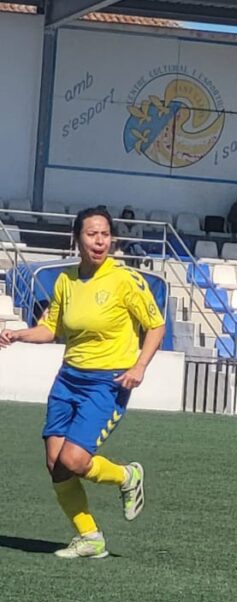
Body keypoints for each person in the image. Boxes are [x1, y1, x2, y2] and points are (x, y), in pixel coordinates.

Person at [0, 208, 166, 559]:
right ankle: (90, 538)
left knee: (74, 460)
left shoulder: (125, 280)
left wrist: (140, 366)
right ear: (77, 238)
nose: (100, 241)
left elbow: (156, 326)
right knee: (55, 464)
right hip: (68, 380)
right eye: (92, 234)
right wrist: (18, 334)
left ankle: (126, 477)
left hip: (108, 382)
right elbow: (51, 329)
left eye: (105, 234)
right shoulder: (66, 281)